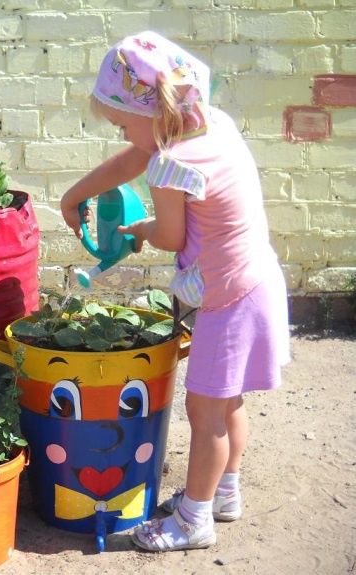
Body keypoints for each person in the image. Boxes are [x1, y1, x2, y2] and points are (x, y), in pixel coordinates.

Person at [60, 31, 290, 552]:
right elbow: (130, 161)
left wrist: (140, 229)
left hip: (227, 300)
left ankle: (194, 520)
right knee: (227, 401)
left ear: (152, 109)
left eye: (121, 122)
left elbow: (171, 237)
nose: (120, 132)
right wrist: (75, 196)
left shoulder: (169, 164)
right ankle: (224, 492)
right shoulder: (210, 127)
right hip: (256, 281)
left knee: (204, 412)